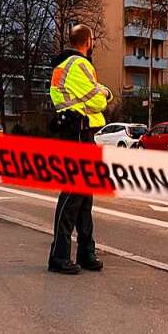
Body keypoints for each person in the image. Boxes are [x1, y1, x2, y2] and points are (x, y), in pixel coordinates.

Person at [48, 24, 112, 275]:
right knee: (73, 195)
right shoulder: (79, 64)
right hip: (78, 133)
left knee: (84, 197)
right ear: (88, 40)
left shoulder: (62, 65)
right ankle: (59, 255)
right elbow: (96, 99)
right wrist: (105, 92)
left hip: (78, 133)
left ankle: (86, 253)